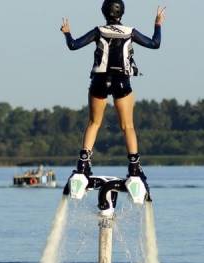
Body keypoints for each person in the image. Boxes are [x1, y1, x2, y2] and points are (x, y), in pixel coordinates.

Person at [60, 0, 166, 183]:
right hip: (121, 81)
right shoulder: (130, 31)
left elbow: (73, 45)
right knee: (127, 126)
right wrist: (158, 24)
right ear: (121, 13)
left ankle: (83, 165)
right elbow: (155, 43)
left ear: (103, 12)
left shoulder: (98, 31)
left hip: (99, 80)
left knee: (94, 123)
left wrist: (67, 32)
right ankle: (134, 168)